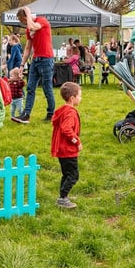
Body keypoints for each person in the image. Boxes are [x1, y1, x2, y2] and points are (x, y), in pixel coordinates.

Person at [12, 5, 55, 123]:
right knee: (30, 87)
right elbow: (27, 48)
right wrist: (22, 65)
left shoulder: (42, 21)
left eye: (23, 20)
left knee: (47, 88)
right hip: (35, 60)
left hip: (47, 59)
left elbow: (33, 26)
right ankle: (26, 114)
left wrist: (28, 13)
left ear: (26, 17)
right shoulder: (28, 28)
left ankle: (51, 114)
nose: (24, 24)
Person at [51, 81, 82, 209]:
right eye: (79, 96)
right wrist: (77, 141)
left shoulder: (63, 110)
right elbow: (66, 129)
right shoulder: (70, 112)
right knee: (73, 175)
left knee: (66, 174)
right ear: (72, 98)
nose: (81, 98)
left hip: (62, 149)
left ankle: (64, 194)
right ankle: (63, 198)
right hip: (68, 150)